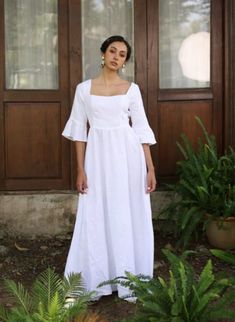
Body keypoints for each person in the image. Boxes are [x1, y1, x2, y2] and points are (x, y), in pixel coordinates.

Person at [62, 35, 157, 301]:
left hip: (128, 158)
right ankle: (98, 278)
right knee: (95, 212)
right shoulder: (83, 89)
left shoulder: (131, 89)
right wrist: (80, 170)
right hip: (97, 157)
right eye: (112, 51)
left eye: (122, 54)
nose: (116, 57)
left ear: (125, 61)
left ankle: (129, 279)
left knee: (126, 213)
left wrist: (150, 167)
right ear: (102, 53)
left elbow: (140, 129)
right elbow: (79, 131)